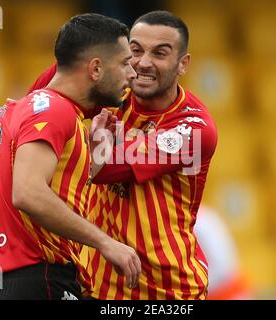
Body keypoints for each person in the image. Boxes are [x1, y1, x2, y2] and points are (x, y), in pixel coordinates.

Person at [27, 10, 218, 300]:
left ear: (183, 64)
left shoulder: (194, 128)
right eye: (135, 50)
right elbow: (33, 112)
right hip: (95, 284)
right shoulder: (112, 89)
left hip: (167, 292)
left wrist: (84, 147)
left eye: (160, 53)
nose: (143, 63)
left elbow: (105, 169)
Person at [0, 13, 141, 300]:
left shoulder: (17, 111)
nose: (132, 74)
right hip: (37, 278)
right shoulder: (56, 110)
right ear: (96, 68)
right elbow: (27, 193)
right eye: (124, 63)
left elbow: (43, 181)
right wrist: (105, 242)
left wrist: (96, 152)